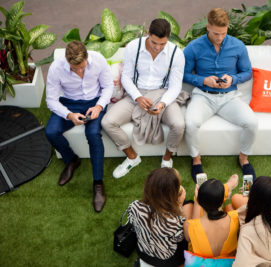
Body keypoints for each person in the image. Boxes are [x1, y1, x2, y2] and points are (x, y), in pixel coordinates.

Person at [102, 18, 186, 179]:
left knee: (179, 124)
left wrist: (162, 103)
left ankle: (167, 159)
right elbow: (126, 77)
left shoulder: (177, 54)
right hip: (136, 92)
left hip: (163, 93)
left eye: (162, 44)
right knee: (107, 122)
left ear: (168, 39)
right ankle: (132, 157)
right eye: (154, 42)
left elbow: (175, 86)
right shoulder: (134, 47)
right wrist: (138, 97)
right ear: (148, 33)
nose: (158, 47)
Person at [183, 8, 258, 182]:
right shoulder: (194, 47)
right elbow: (183, 74)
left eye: (223, 33)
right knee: (190, 123)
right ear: (208, 27)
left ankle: (243, 158)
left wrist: (233, 78)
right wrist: (203, 81)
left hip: (229, 97)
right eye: (216, 33)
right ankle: (196, 160)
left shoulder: (238, 46)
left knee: (252, 123)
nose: (219, 38)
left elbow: (247, 72)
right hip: (203, 96)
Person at [45, 41, 113, 212]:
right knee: (51, 132)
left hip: (94, 103)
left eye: (82, 67)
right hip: (69, 104)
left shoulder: (98, 60)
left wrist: (99, 106)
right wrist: (69, 115)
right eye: (74, 69)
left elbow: (107, 86)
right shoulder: (56, 67)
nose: (79, 71)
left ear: (87, 56)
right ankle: (72, 160)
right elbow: (51, 100)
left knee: (93, 134)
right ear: (67, 61)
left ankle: (98, 183)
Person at [127, 168, 193, 266]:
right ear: (170, 195)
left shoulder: (134, 206)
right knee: (190, 205)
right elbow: (181, 238)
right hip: (167, 259)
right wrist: (180, 205)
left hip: (143, 252)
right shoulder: (175, 221)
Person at [228, 176, 271, 267]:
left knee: (230, 207)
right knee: (234, 202)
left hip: (265, 260)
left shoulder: (247, 232)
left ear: (253, 199)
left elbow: (240, 265)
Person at [183, 175, 239, 258]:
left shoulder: (189, 225)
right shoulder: (236, 217)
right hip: (227, 262)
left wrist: (198, 202)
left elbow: (188, 239)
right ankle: (228, 186)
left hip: (200, 263)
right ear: (223, 201)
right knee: (229, 207)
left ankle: (228, 186)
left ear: (199, 200)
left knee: (187, 207)